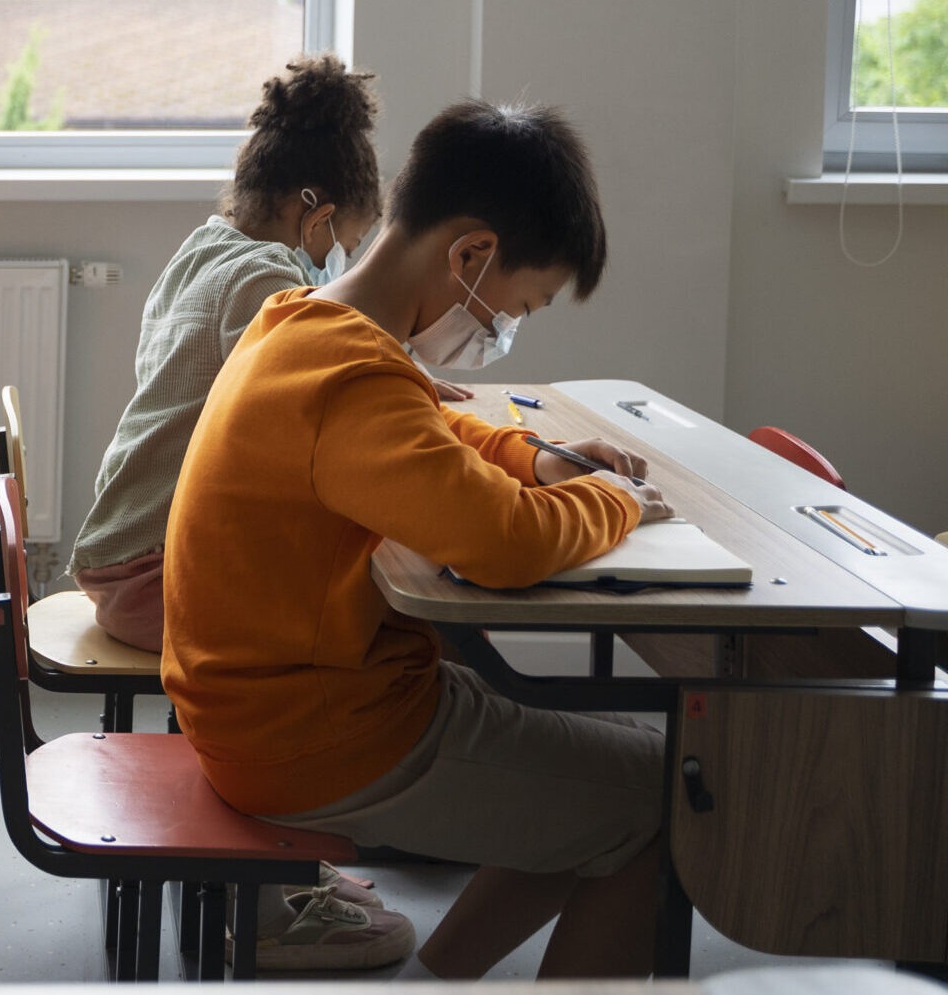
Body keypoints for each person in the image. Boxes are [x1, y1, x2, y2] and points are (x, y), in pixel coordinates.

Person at [164, 99, 677, 979]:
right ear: (471, 255)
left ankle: (441, 978)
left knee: (623, 764)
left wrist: (536, 454)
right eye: (520, 305)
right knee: (671, 800)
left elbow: (427, 427)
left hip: (273, 709)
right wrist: (614, 500)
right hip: (315, 735)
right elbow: (506, 543)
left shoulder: (303, 320)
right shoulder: (351, 375)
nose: (507, 328)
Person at [61, 55, 421, 969]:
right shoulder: (267, 282)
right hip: (154, 573)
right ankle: (261, 901)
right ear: (317, 212)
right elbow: (316, 396)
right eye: (348, 238)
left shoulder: (206, 247)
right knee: (310, 647)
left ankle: (277, 859)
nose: (343, 260)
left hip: (122, 551)